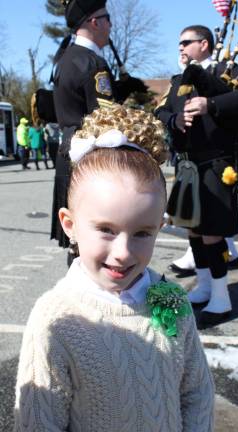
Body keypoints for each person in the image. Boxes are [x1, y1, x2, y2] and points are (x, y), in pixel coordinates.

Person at [14, 105, 214, 431]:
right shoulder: (54, 318)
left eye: (142, 233)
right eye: (106, 229)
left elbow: (197, 394)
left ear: (159, 228)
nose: (122, 253)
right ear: (70, 224)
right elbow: (39, 422)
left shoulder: (174, 302)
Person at [155, 25, 238, 328]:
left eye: (186, 42)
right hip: (188, 166)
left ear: (204, 44)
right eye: (178, 43)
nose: (180, 47)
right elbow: (161, 112)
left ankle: (221, 296)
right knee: (193, 230)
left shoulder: (225, 69)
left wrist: (211, 103)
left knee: (213, 232)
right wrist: (175, 119)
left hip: (217, 164)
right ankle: (204, 286)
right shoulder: (178, 80)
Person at [51, 0, 147, 264]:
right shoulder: (92, 63)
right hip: (87, 157)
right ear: (95, 22)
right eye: (107, 18)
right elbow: (105, 119)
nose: (111, 25)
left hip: (68, 153)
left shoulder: (67, 58)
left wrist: (120, 89)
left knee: (79, 242)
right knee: (92, 244)